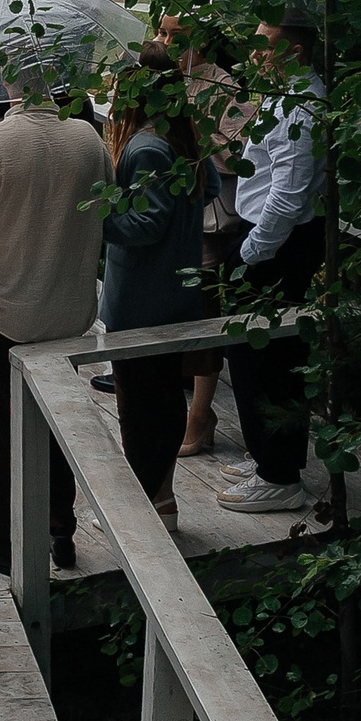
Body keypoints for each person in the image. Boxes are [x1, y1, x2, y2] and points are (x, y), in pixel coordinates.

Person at [0, 81, 107, 575]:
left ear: (9, 80)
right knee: (57, 421)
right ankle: (60, 526)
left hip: (2, 308)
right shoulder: (89, 138)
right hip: (68, 310)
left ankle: (9, 535)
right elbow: (106, 213)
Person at [216, 14, 327, 513]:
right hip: (265, 239)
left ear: (296, 52)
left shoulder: (303, 108)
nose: (255, 55)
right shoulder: (285, 96)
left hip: (276, 246)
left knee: (270, 356)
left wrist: (251, 253)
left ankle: (279, 476)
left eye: (265, 46)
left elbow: (288, 194)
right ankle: (265, 454)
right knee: (249, 354)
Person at [102, 53, 218, 530]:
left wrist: (97, 217)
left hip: (142, 298)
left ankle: (146, 505)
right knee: (165, 396)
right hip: (177, 290)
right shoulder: (182, 136)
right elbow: (210, 187)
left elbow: (147, 224)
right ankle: (163, 497)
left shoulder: (146, 147)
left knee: (139, 405)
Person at [156, 14, 255, 456]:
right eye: (161, 32)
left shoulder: (221, 86)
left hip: (208, 220)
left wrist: (195, 132)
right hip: (169, 213)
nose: (165, 42)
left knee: (203, 312)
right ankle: (173, 403)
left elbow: (241, 154)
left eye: (176, 36)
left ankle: (200, 414)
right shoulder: (161, 79)